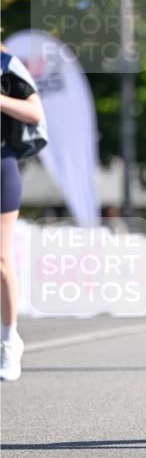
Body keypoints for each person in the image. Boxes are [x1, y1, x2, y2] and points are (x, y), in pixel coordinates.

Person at [1, 47, 46, 381]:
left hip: (2, 166)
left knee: (0, 261)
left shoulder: (7, 64)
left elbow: (35, 113)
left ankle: (9, 339)